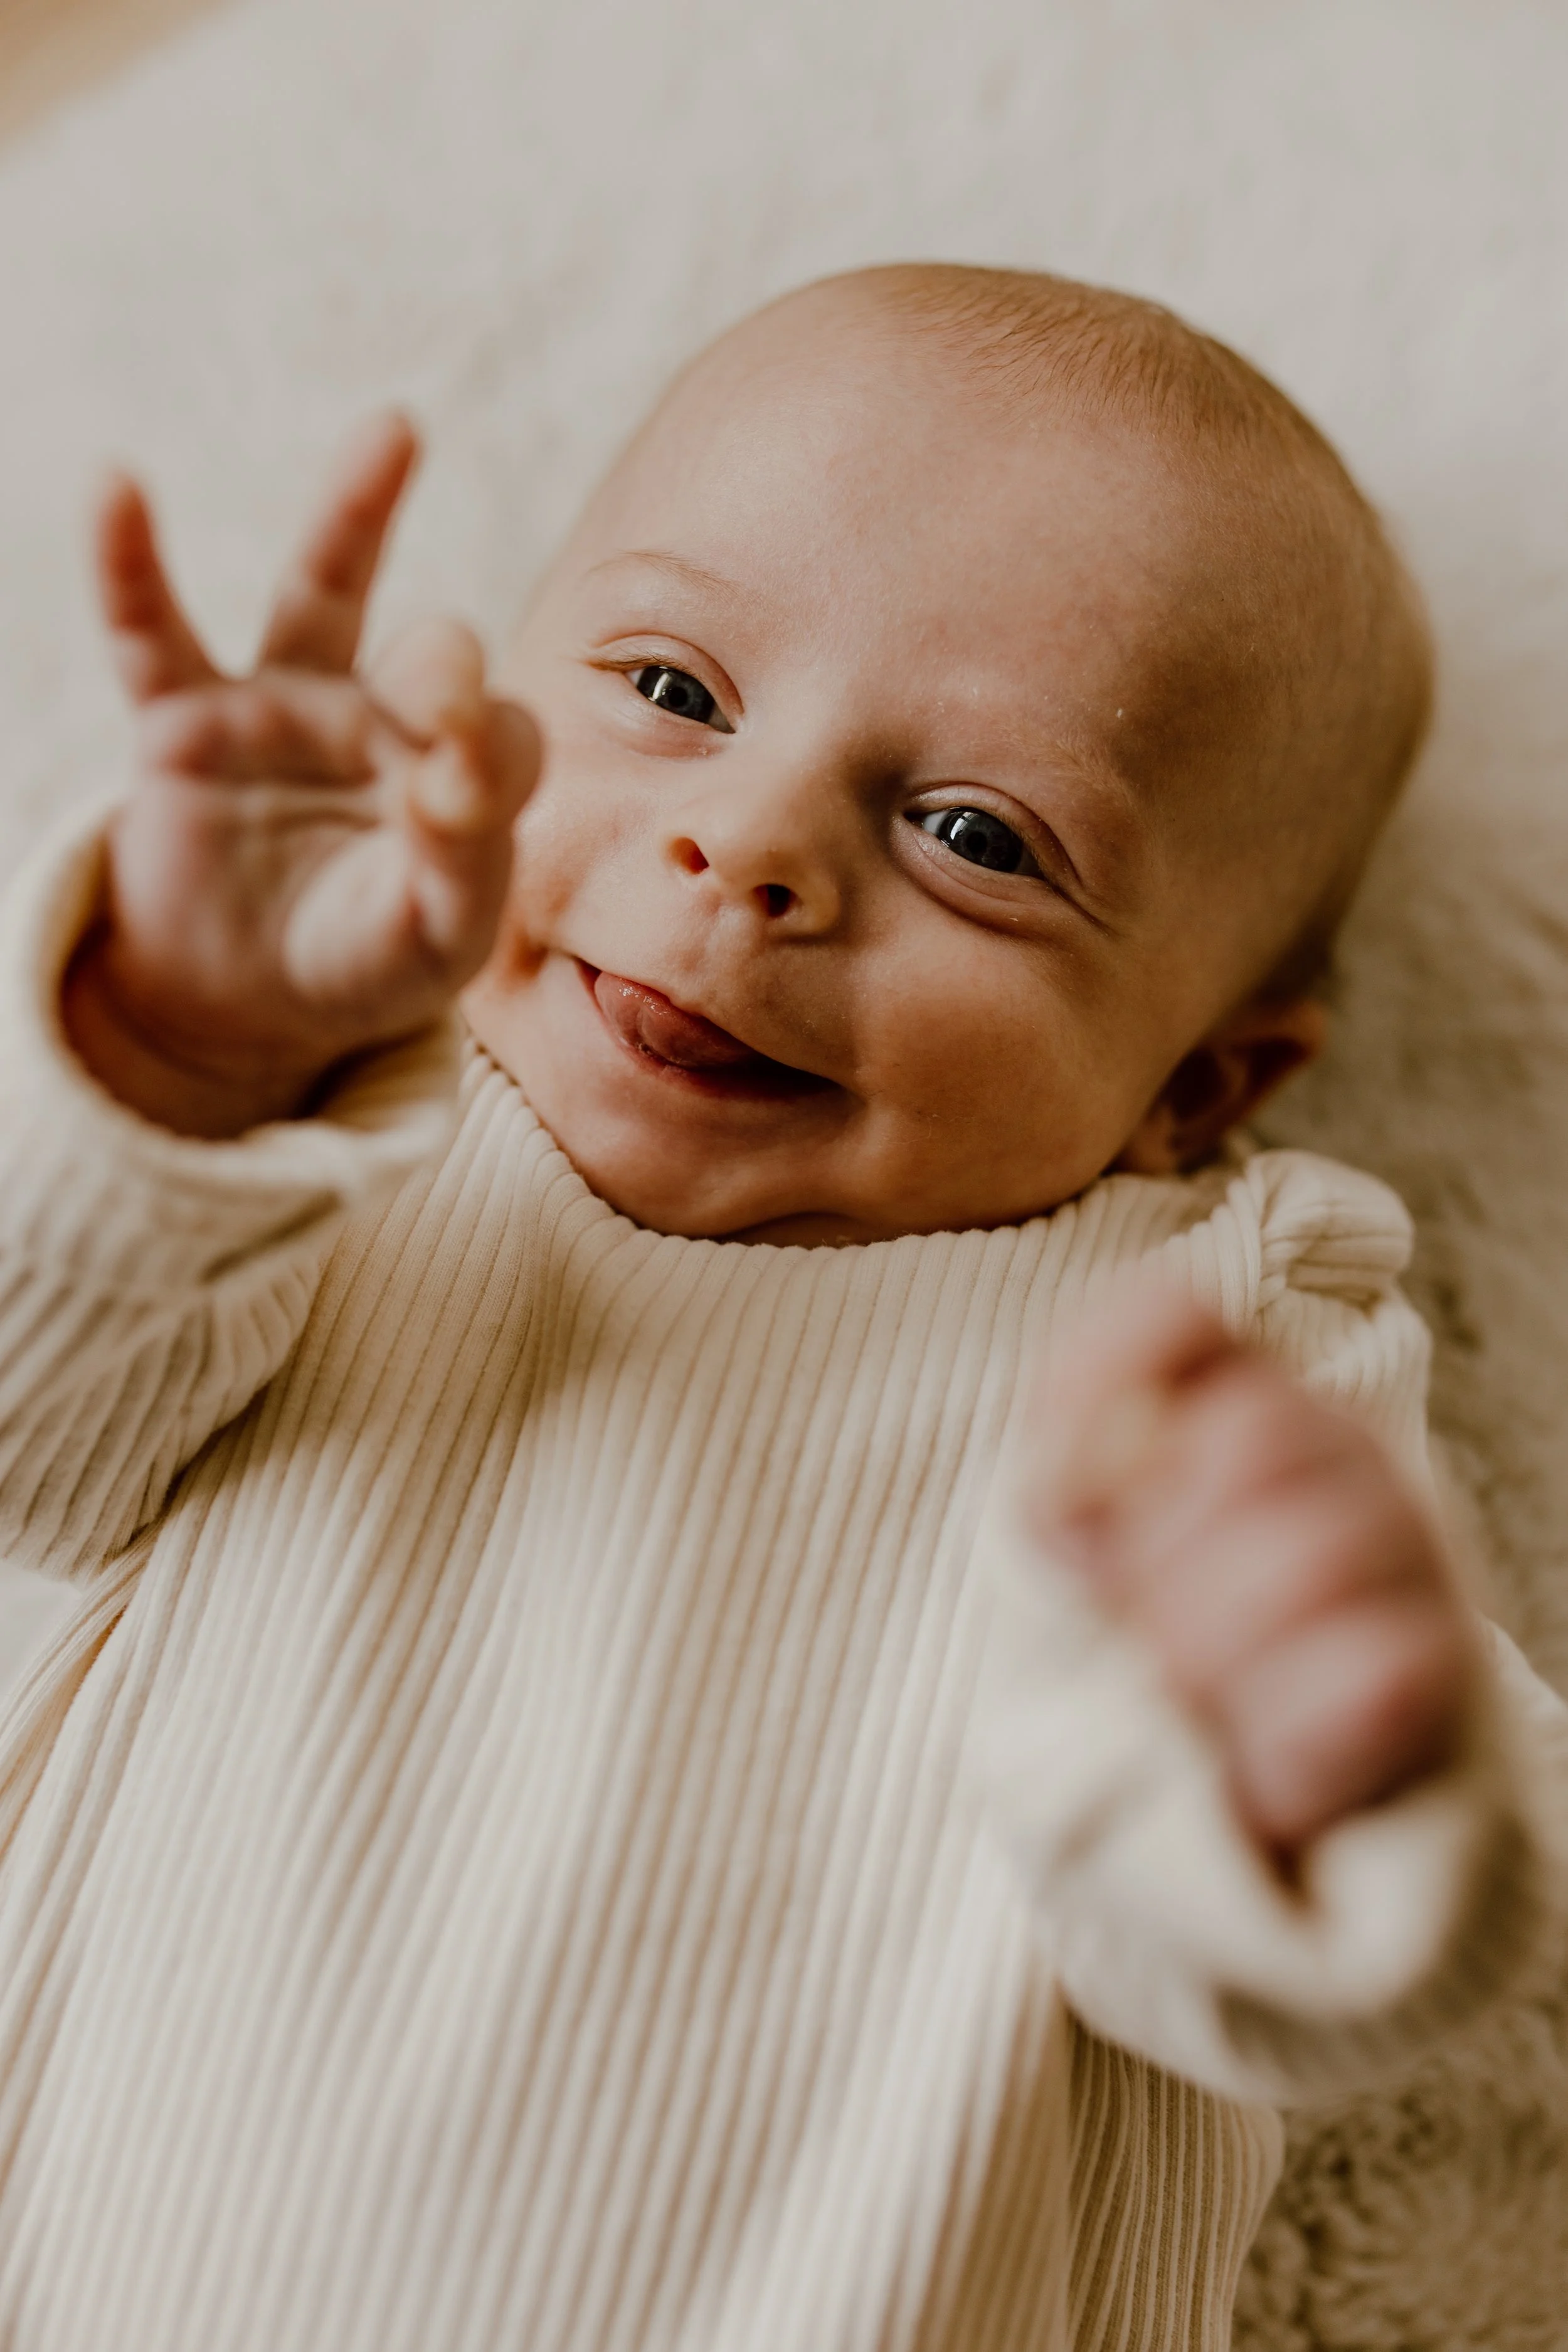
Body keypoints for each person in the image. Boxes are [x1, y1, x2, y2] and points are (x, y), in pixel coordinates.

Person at [0, 263, 1559, 2351]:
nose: (744, 847)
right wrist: (181, 1055)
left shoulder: (1194, 1327)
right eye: (669, 689)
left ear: (1197, 1082)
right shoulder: (336, 1129)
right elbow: (38, 1441)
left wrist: (1318, 1758)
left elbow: (1276, 1968)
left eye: (976, 834)